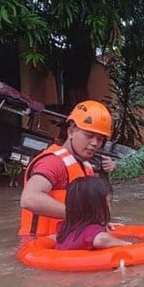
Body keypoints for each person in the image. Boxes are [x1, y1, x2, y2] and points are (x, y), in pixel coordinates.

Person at [19, 100, 116, 236]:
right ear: (70, 132)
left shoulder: (86, 166)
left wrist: (97, 222)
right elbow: (29, 199)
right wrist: (82, 217)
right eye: (89, 136)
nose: (94, 143)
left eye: (100, 139)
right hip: (40, 245)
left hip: (66, 243)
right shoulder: (53, 162)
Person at [55, 176, 129, 250]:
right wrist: (125, 244)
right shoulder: (91, 231)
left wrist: (103, 223)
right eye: (108, 202)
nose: (110, 205)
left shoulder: (64, 228)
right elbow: (101, 239)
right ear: (95, 208)